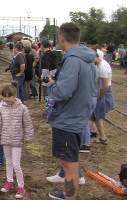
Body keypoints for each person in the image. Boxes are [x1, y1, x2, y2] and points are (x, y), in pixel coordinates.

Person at [46, 22, 97, 200]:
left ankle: (70, 197)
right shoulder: (88, 59)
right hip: (77, 118)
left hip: (67, 121)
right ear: (79, 38)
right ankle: (69, 194)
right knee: (72, 164)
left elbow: (63, 92)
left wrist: (51, 86)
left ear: (61, 38)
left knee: (69, 166)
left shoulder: (72, 60)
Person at [0, 83, 34, 199]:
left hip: (17, 140)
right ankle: (9, 181)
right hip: (5, 140)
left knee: (16, 164)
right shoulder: (1, 109)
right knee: (9, 161)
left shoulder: (22, 109)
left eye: (9, 97)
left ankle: (21, 186)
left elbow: (28, 124)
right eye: (4, 97)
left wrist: (27, 137)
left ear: (15, 95)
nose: (6, 99)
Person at [90, 52, 114, 145]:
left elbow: (105, 86)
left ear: (95, 57)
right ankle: (103, 138)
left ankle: (85, 141)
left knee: (92, 116)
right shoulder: (100, 65)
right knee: (97, 116)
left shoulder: (103, 67)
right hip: (100, 92)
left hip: (103, 93)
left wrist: (98, 97)